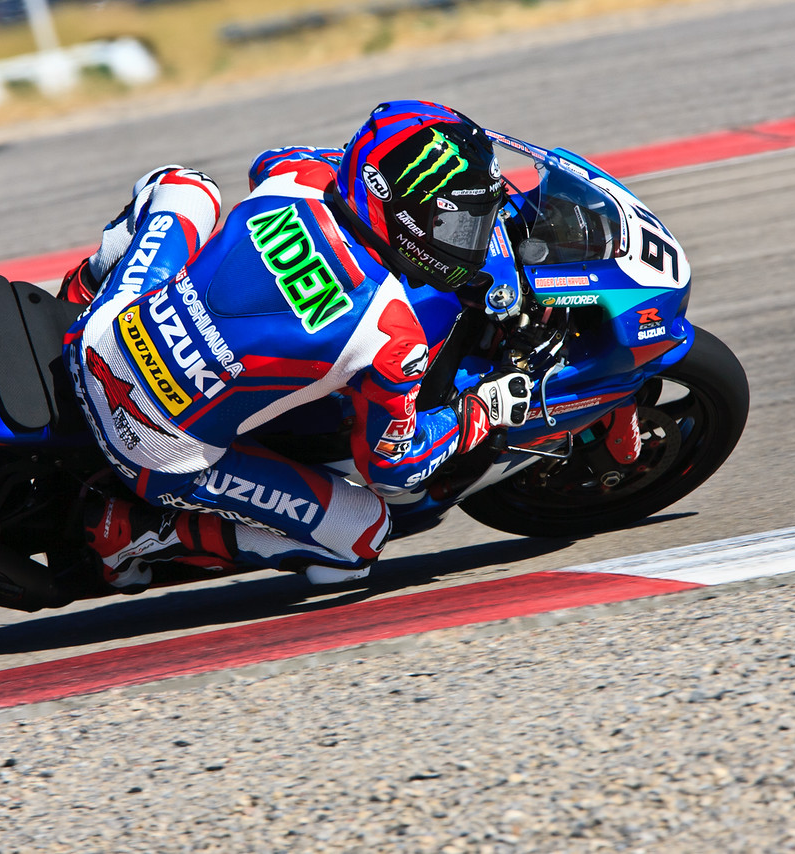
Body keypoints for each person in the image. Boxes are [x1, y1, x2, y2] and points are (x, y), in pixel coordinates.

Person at [61, 100, 532, 592]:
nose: (471, 243)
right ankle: (141, 533)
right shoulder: (393, 334)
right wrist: (481, 412)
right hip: (152, 448)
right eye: (455, 225)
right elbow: (396, 469)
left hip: (95, 340)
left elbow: (271, 161)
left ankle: (82, 288)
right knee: (362, 537)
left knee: (185, 185)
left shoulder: (296, 177)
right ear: (397, 206)